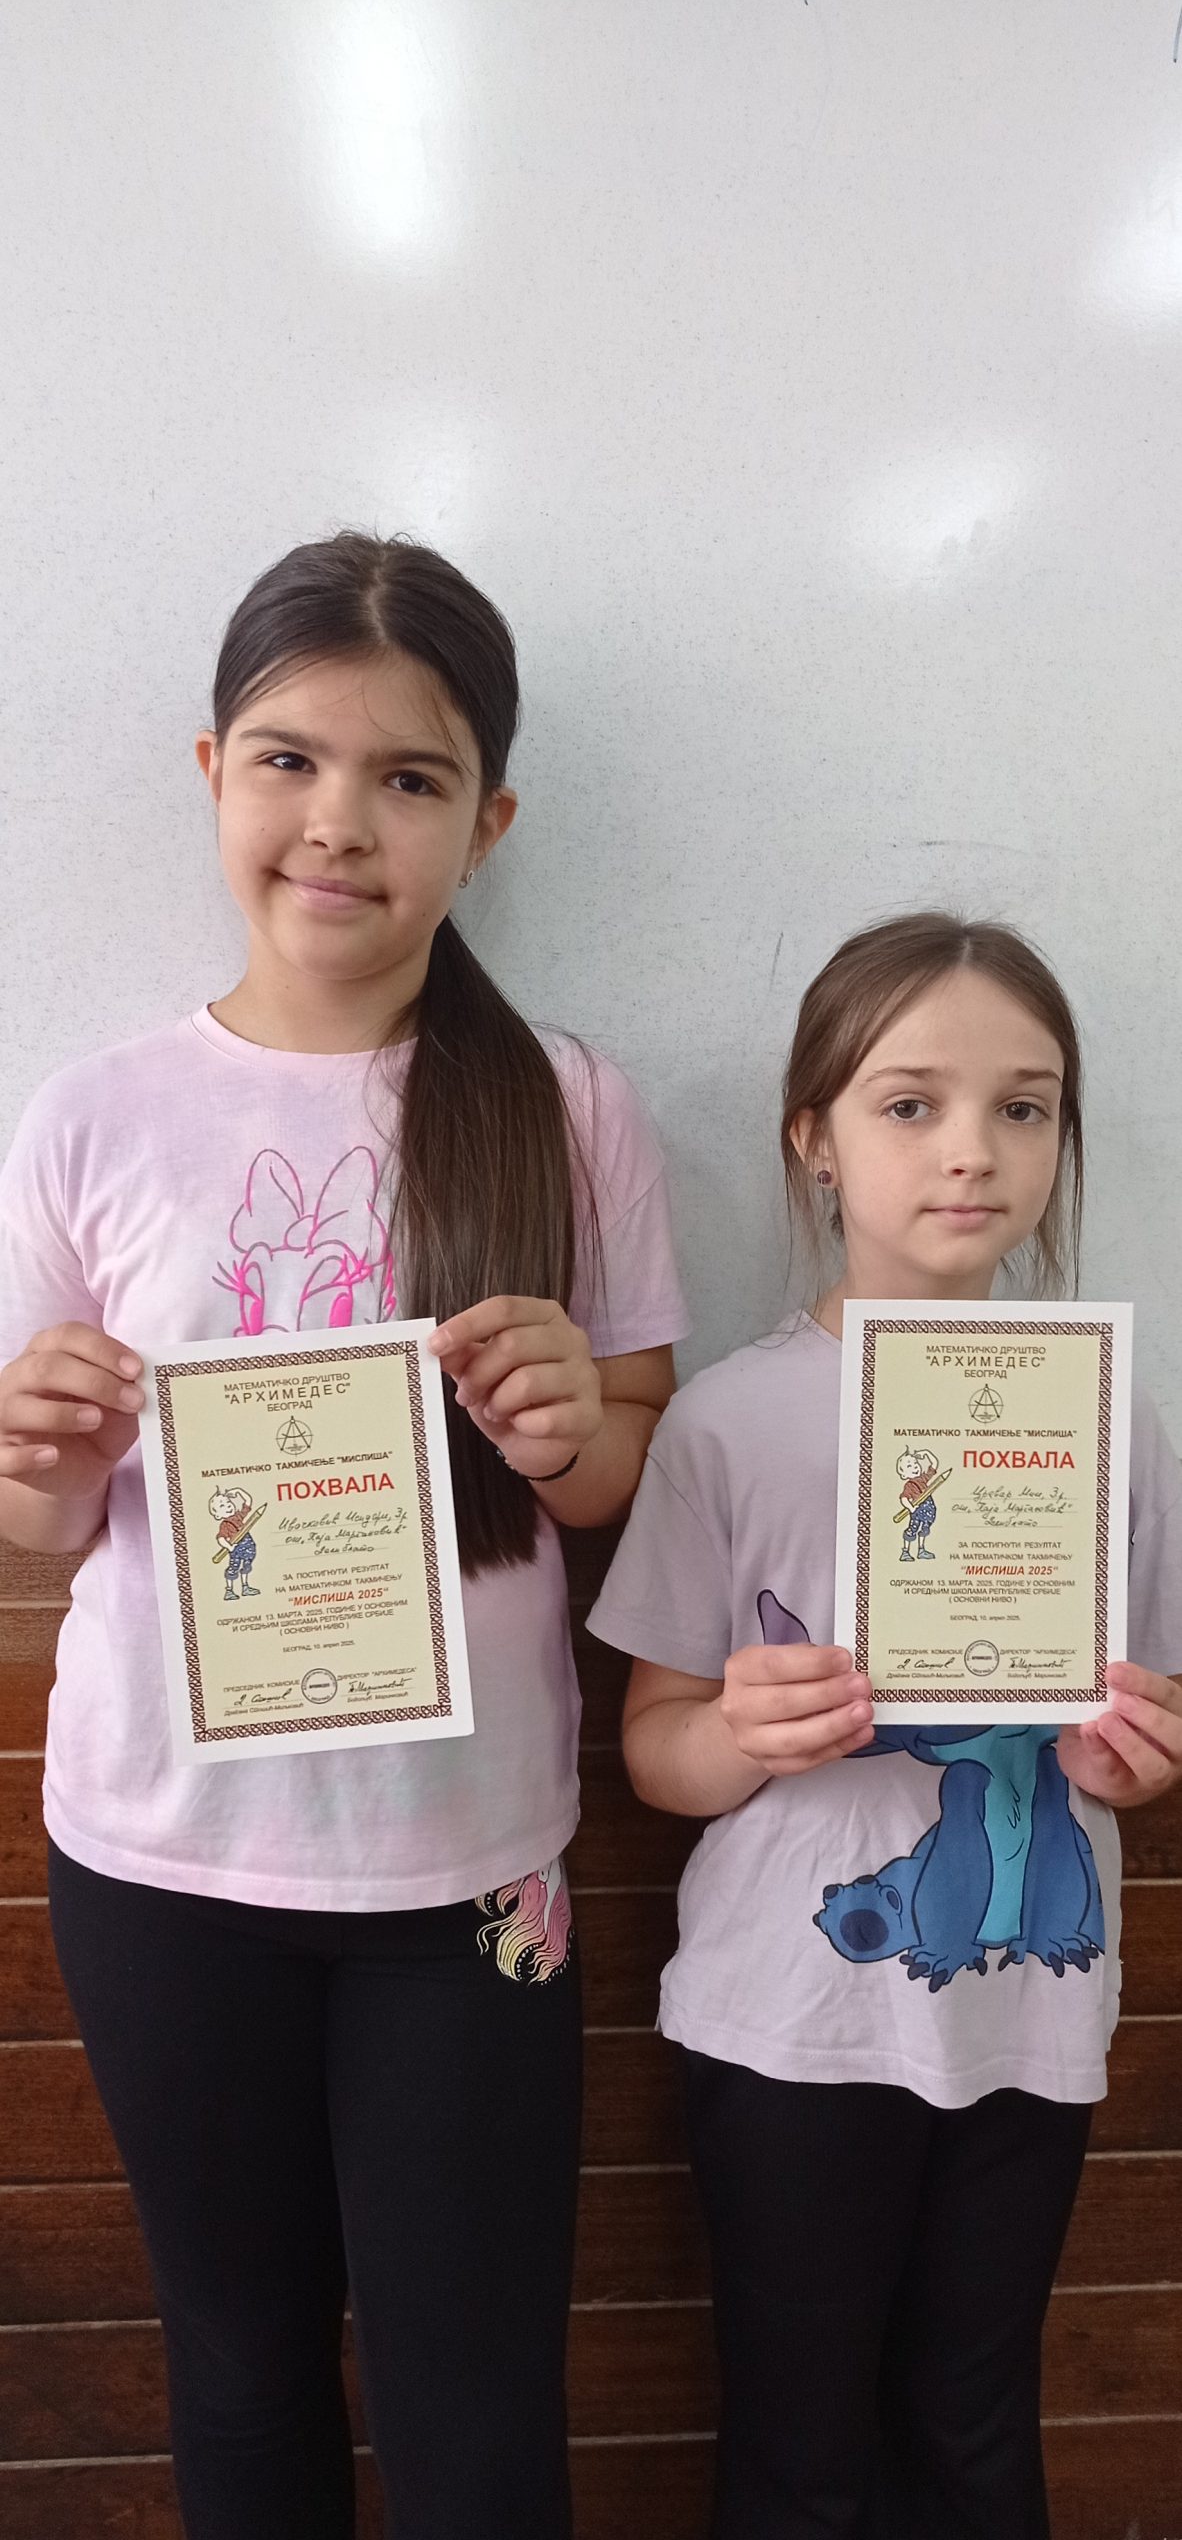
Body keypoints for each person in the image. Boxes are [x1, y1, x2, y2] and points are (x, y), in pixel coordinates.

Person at [0, 532, 688, 2540]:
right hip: (161, 1857)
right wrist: (40, 1447)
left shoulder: (565, 1103)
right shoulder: (93, 1112)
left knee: (478, 2406)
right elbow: (45, 1522)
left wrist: (574, 1425)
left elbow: (631, 1460)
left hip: (460, 1871)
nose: (337, 821)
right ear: (212, 769)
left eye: (407, 777)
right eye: (290, 760)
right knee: (238, 2369)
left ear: (488, 821)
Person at [587, 912, 1182, 2540]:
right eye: (909, 1103)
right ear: (815, 1138)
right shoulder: (728, 1421)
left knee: (974, 2434)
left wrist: (1134, 1759)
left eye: (1022, 1107)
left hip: (1027, 2017)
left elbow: (1147, 1709)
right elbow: (656, 1748)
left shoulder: (1109, 1416)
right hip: (791, 2026)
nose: (970, 1151)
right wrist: (746, 1733)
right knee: (798, 2449)